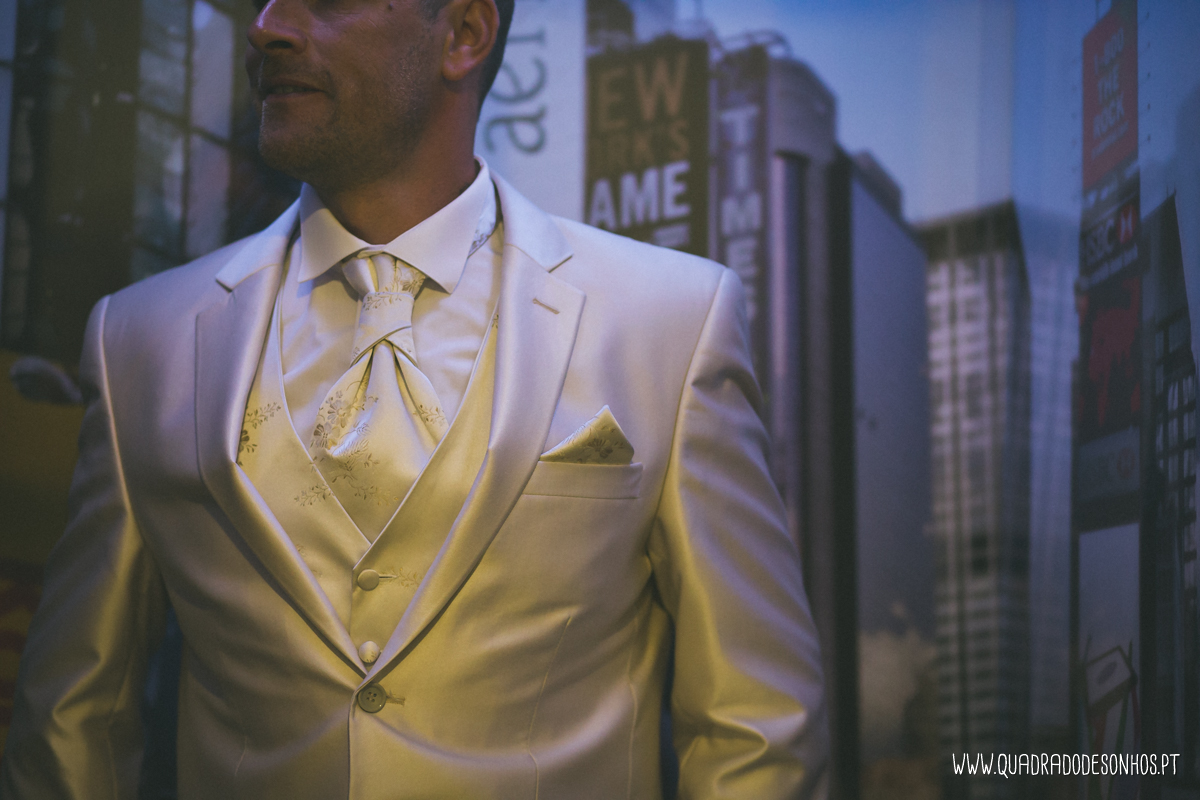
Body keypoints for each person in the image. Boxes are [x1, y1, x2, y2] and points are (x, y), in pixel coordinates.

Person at [0, 0, 828, 796]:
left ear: (464, 32)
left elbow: (755, 722)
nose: (267, 26)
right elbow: (74, 720)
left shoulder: (670, 322)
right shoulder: (138, 342)